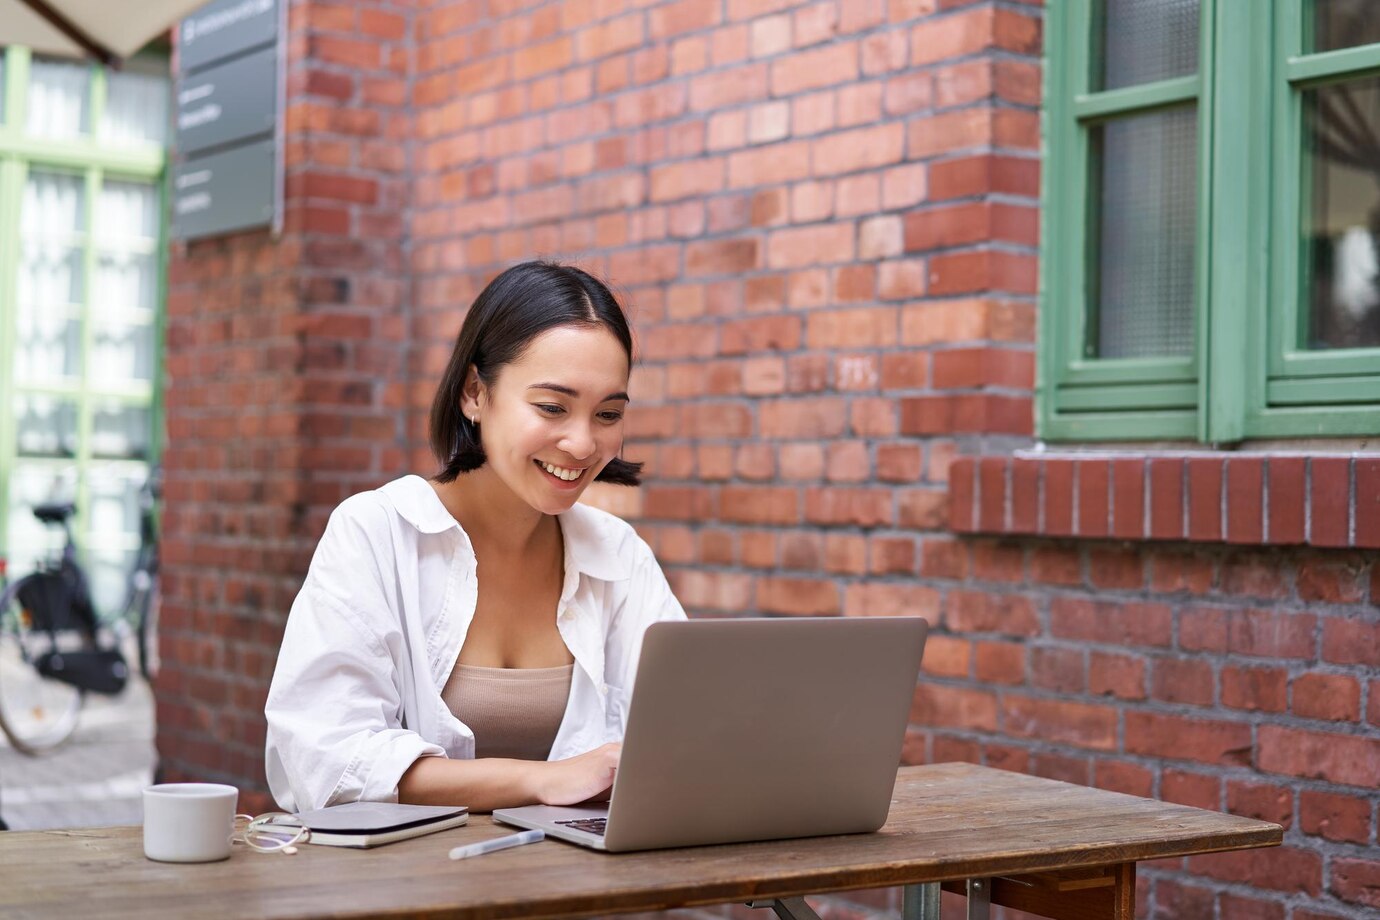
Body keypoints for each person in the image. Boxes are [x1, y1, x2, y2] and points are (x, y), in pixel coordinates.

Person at [265, 261, 686, 813]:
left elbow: (684, 733)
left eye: (608, 413)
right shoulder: (378, 533)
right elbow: (325, 759)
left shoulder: (618, 553)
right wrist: (540, 780)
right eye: (552, 407)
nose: (583, 444)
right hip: (403, 890)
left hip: (571, 892)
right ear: (473, 393)